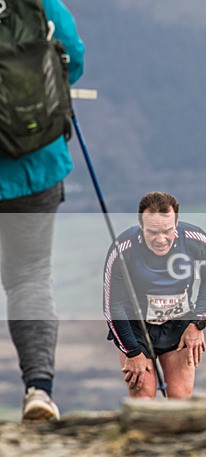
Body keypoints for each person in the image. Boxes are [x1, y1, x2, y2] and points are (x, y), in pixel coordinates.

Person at [0, 0, 85, 423]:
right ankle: (38, 390)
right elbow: (73, 58)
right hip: (35, 164)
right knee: (29, 277)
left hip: (35, 168)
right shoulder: (36, 2)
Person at [103, 192, 206, 399]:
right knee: (143, 396)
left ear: (176, 223)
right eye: (152, 232)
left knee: (180, 397)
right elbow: (113, 307)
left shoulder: (196, 240)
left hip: (179, 325)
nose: (161, 239)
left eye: (167, 231)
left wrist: (197, 323)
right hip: (136, 329)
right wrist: (132, 352)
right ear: (141, 225)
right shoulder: (123, 250)